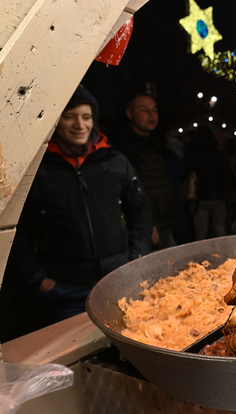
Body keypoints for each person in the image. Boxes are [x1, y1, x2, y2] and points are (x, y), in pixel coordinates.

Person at [7, 85, 152, 325]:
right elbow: (17, 231)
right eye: (69, 117)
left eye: (86, 117)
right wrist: (38, 279)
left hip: (118, 281)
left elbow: (141, 213)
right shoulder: (38, 170)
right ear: (55, 121)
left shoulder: (114, 161)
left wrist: (135, 259)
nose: (80, 125)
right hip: (64, 288)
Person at [109, 94, 177, 250]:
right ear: (129, 114)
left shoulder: (150, 142)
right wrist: (147, 224)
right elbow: (126, 193)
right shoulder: (124, 148)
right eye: (144, 110)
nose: (152, 115)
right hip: (147, 228)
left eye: (154, 110)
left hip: (163, 223)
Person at [183, 126, 236, 240]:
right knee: (220, 232)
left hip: (199, 199)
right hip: (217, 197)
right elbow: (228, 173)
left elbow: (184, 173)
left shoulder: (192, 154)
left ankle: (200, 257)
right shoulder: (217, 153)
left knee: (201, 234)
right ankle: (224, 256)